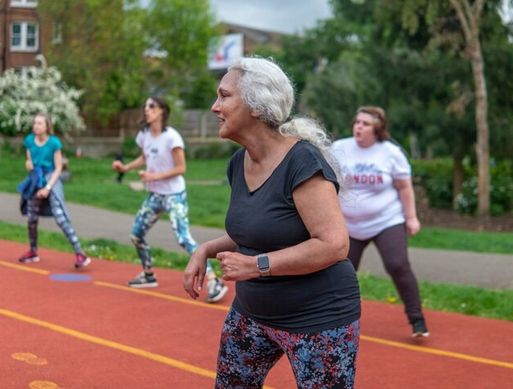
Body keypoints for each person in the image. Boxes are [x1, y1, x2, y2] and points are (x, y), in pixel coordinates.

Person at [184, 57, 361, 388]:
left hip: (317, 318)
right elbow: (258, 231)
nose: (214, 106)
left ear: (255, 105)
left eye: (224, 96)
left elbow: (334, 244)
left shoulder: (302, 161)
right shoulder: (239, 163)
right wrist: (205, 249)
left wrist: (255, 265)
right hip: (253, 313)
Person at [112, 97, 228, 303]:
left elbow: (181, 168)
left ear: (162, 112)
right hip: (155, 196)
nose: (146, 109)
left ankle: (213, 280)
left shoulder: (172, 137)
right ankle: (148, 274)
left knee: (183, 237)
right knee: (136, 235)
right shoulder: (144, 135)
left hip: (174, 195)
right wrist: (126, 168)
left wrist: (154, 176)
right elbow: (145, 157)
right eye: (145, 106)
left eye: (151, 106)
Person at [330, 106, 429, 338]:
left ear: (377, 128)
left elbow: (405, 187)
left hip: (386, 219)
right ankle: (335, 321)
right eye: (357, 122)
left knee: (397, 264)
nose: (359, 127)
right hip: (349, 224)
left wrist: (411, 217)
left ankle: (417, 320)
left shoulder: (391, 153)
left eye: (365, 123)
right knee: (341, 271)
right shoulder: (339, 148)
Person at [17, 113, 91, 268]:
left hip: (51, 178)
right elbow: (29, 160)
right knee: (31, 218)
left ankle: (80, 254)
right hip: (35, 179)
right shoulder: (29, 141)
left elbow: (58, 168)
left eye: (39, 123)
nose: (36, 126)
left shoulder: (54, 143)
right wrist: (28, 164)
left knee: (60, 217)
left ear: (47, 127)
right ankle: (33, 251)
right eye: (35, 123)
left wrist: (48, 187)